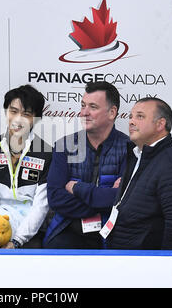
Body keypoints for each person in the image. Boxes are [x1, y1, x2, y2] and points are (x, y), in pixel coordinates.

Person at [43, 81, 129, 249]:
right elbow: (55, 198)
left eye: (93, 107)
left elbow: (123, 200)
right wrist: (102, 201)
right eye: (83, 106)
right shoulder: (64, 146)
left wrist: (77, 189)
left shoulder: (128, 148)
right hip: (67, 228)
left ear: (112, 113)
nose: (84, 113)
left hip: (113, 232)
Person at [0, 84, 52, 249]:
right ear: (6, 112)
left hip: (29, 230)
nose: (18, 119)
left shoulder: (46, 153)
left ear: (36, 118)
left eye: (26, 114)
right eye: (13, 111)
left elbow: (40, 205)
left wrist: (18, 240)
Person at [105, 98, 172, 250]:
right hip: (125, 260)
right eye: (131, 117)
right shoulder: (136, 155)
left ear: (160, 124)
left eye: (140, 116)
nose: (131, 122)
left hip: (148, 267)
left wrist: (165, 269)